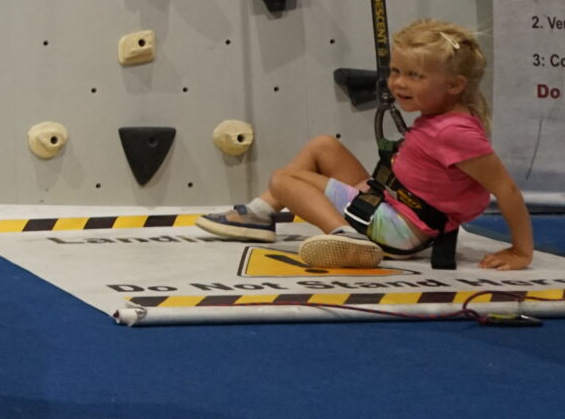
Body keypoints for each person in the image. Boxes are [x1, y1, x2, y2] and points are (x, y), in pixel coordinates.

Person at [196, 18, 534, 270]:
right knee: (323, 145)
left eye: (415, 76)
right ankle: (260, 213)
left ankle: (346, 238)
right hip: (395, 204)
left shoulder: (454, 132)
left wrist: (521, 252)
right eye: (396, 71)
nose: (399, 83)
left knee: (284, 180)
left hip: (402, 229)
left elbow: (507, 191)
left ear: (454, 85)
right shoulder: (442, 119)